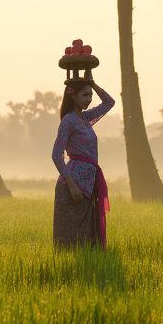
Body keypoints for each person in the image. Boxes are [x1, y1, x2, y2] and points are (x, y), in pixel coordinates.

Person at [51, 76, 116, 248]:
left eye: (90, 96)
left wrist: (93, 83)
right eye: (85, 95)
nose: (88, 99)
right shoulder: (68, 120)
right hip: (73, 186)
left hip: (88, 184)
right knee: (70, 239)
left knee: (86, 237)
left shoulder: (85, 119)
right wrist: (71, 185)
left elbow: (109, 102)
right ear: (73, 95)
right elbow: (57, 155)